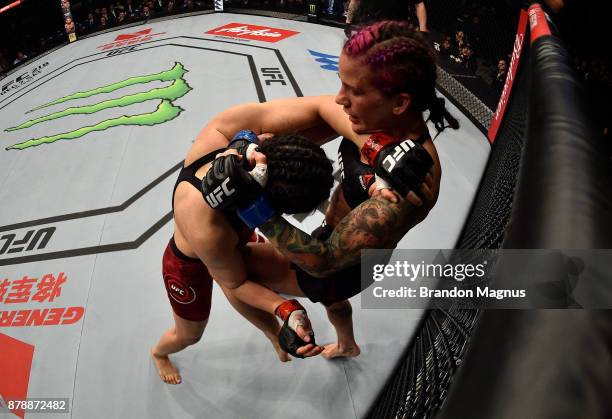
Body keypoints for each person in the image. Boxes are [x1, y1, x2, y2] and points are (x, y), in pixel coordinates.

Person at [202, 20, 458, 358]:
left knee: (225, 266)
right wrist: (377, 150)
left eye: (354, 91)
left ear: (399, 102)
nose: (340, 99)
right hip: (342, 233)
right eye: (342, 85)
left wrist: (253, 206)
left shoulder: (407, 187)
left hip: (342, 265)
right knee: (333, 302)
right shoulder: (383, 125)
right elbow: (324, 110)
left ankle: (276, 333)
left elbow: (321, 262)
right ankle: (348, 345)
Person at [151, 130, 334, 384]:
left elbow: (319, 112)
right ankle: (158, 353)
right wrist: (288, 308)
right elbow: (234, 283)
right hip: (188, 264)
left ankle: (271, 331)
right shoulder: (210, 231)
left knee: (242, 273)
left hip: (234, 239)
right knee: (189, 335)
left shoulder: (261, 153)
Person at [346, 0, 428, 35]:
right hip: (370, 23)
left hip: (396, 26)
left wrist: (423, 30)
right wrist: (348, 22)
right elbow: (355, 1)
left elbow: (419, 5)